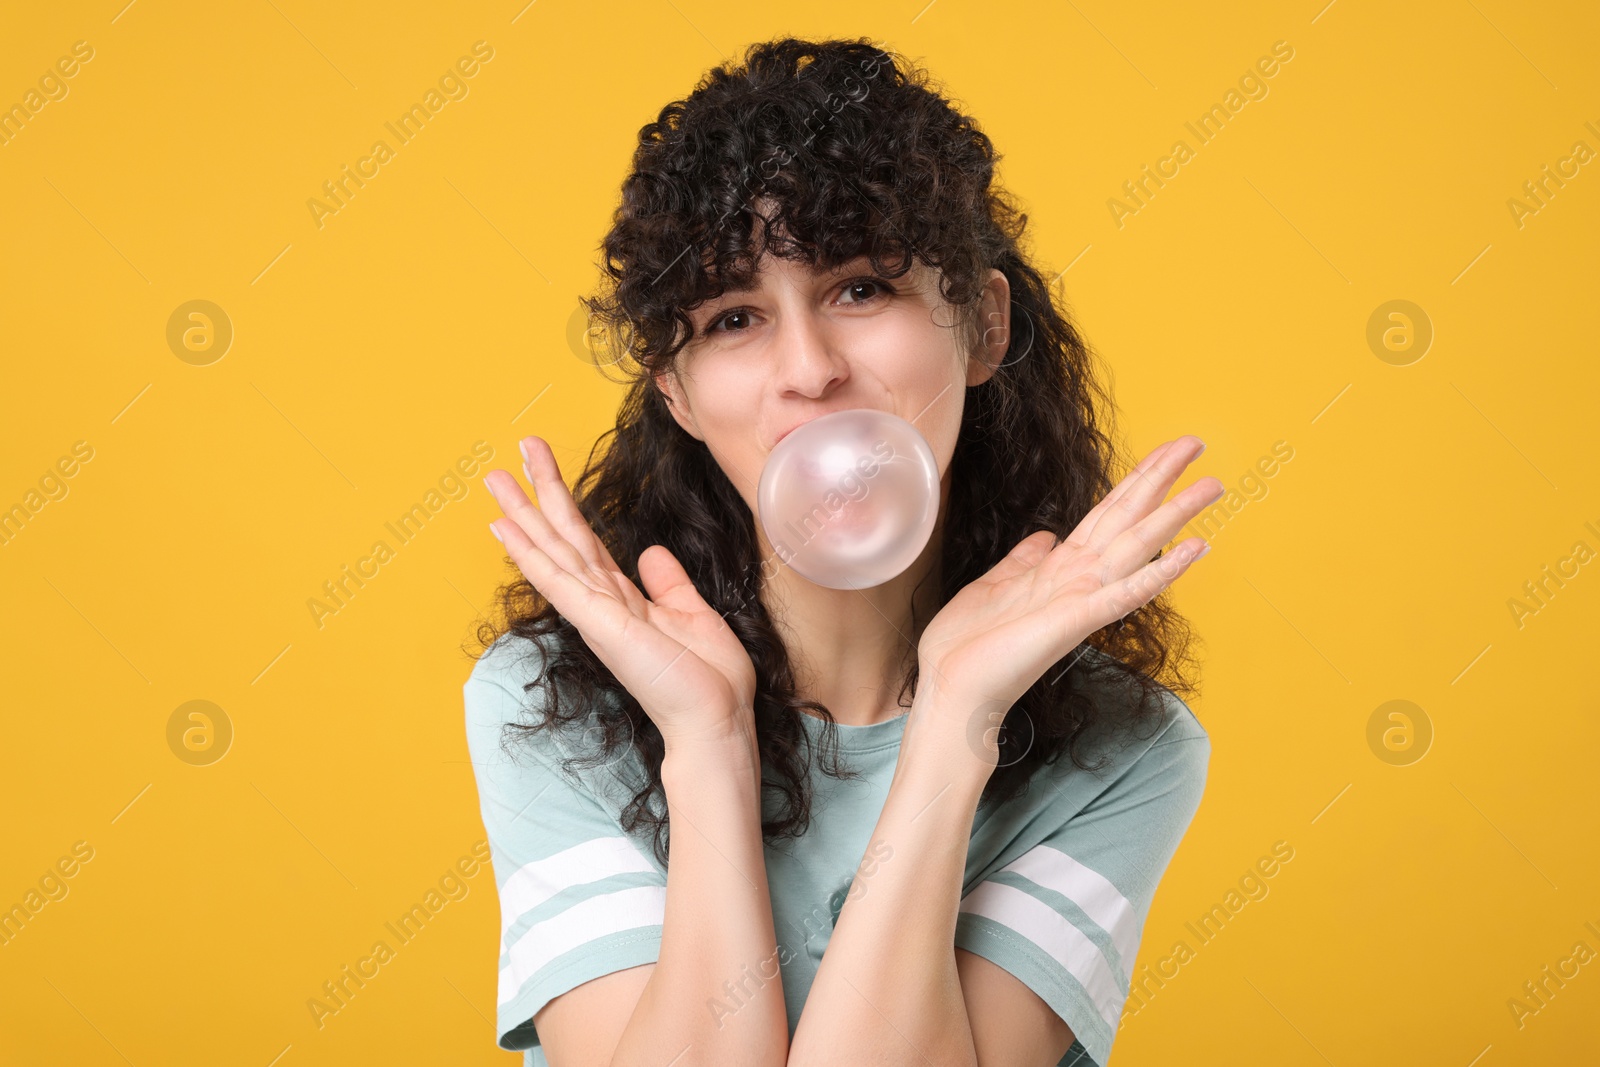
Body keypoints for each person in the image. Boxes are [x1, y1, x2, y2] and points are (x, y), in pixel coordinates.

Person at [464, 35, 1222, 1067]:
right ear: (676, 394)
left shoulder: (1123, 750)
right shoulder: (552, 704)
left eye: (861, 288)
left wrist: (959, 722)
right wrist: (707, 742)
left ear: (984, 323)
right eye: (735, 317)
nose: (809, 371)